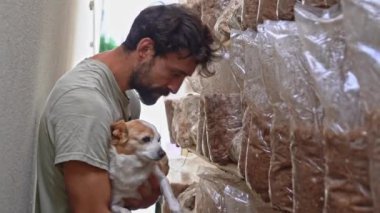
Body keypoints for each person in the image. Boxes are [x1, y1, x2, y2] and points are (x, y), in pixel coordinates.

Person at [34, 3, 216, 213]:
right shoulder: (84, 105)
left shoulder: (128, 98)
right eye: (175, 73)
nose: (175, 88)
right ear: (145, 49)